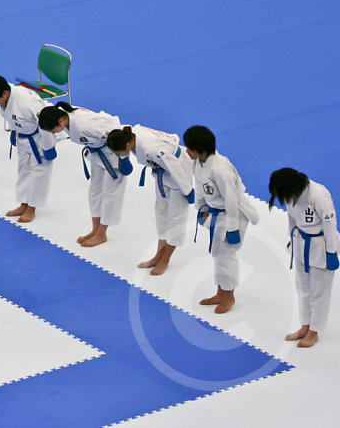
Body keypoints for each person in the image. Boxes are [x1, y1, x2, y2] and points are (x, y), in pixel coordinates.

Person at [184, 125, 261, 314]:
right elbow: (200, 187)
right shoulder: (198, 163)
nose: (186, 151)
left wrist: (233, 227)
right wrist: (201, 207)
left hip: (234, 213)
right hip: (217, 211)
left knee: (226, 255)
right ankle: (221, 292)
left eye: (190, 148)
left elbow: (232, 199)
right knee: (218, 253)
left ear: (200, 150)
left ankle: (229, 296)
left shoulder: (220, 169)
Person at [39, 102, 131, 247]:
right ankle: (95, 229)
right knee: (94, 190)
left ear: (60, 121)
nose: (54, 134)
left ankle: (102, 234)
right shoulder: (67, 119)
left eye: (53, 130)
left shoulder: (86, 125)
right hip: (97, 153)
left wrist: (124, 159)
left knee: (109, 193)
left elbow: (118, 137)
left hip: (114, 152)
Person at [107, 124, 195, 275]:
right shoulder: (126, 134)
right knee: (161, 213)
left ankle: (165, 260)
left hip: (178, 169)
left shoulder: (152, 149)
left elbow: (175, 169)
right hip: (161, 171)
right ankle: (158, 256)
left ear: (127, 145)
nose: (117, 155)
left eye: (118, 152)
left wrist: (188, 191)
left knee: (175, 217)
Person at [269, 167, 339, 348]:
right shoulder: (291, 193)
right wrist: (291, 240)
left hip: (321, 246)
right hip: (300, 244)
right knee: (303, 289)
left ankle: (314, 331)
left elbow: (330, 224)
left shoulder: (318, 194)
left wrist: (332, 252)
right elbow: (291, 219)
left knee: (319, 293)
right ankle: (305, 325)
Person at [0, 75, 57, 222]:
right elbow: (13, 117)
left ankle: (32, 208)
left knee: (38, 173)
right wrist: (15, 131)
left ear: (4, 93)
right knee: (23, 170)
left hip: (39, 138)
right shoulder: (5, 95)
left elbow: (46, 122)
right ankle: (24, 203)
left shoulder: (28, 102)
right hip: (23, 136)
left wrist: (49, 147)